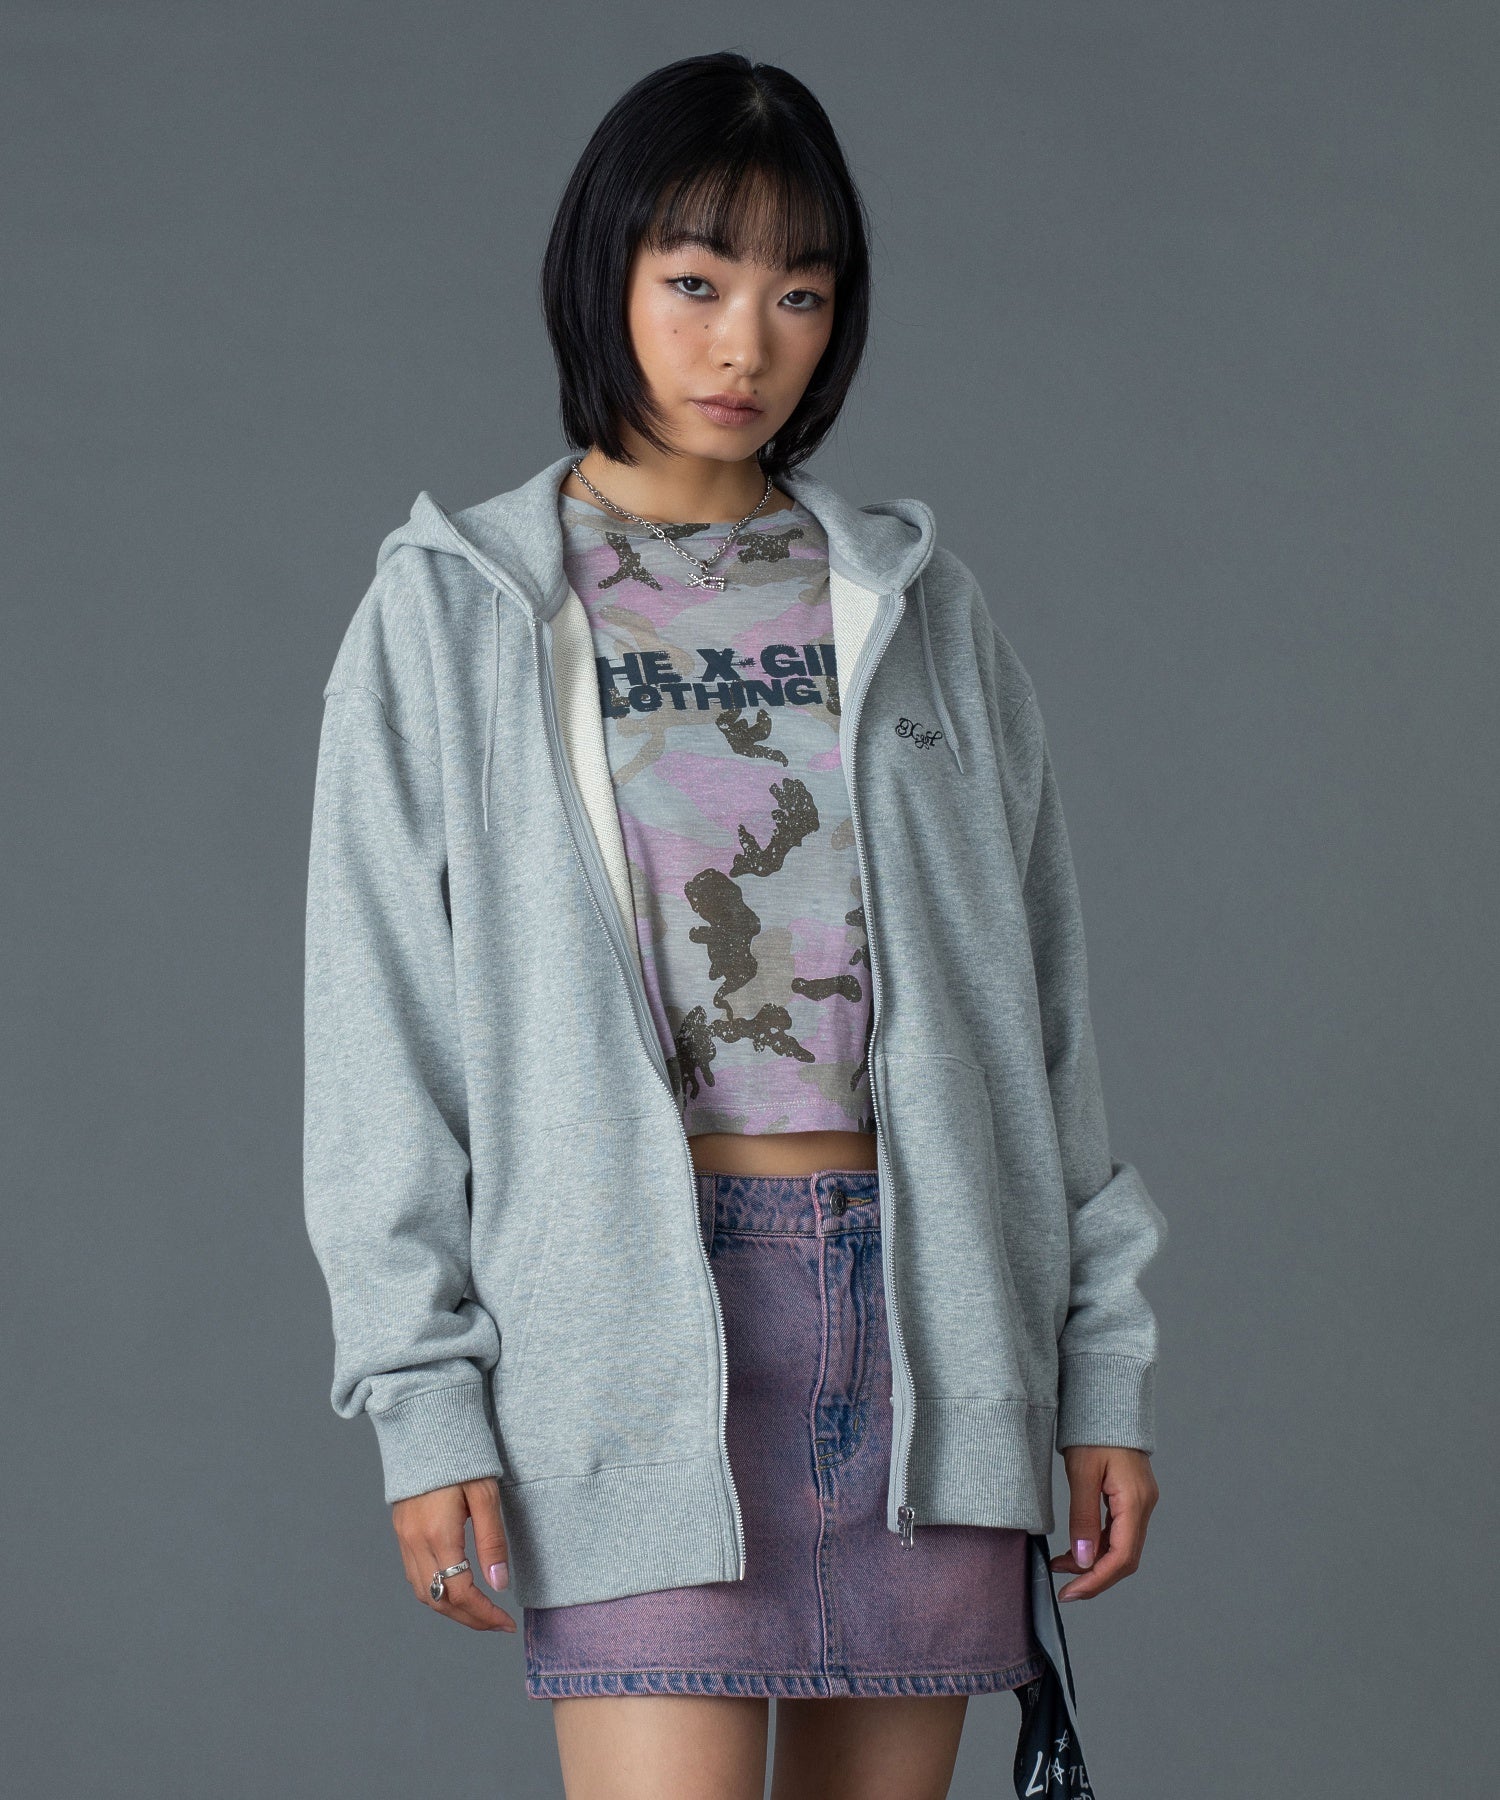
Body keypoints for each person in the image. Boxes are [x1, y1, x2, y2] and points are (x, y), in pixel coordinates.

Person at [302, 50, 1167, 1800]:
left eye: (798, 295)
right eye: (695, 283)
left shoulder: (917, 610)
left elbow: (1044, 1018)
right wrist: (421, 1400)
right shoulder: (455, 615)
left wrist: (1101, 1377)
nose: (743, 346)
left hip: (932, 1329)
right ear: (604, 278)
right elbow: (377, 1034)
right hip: (630, 1327)